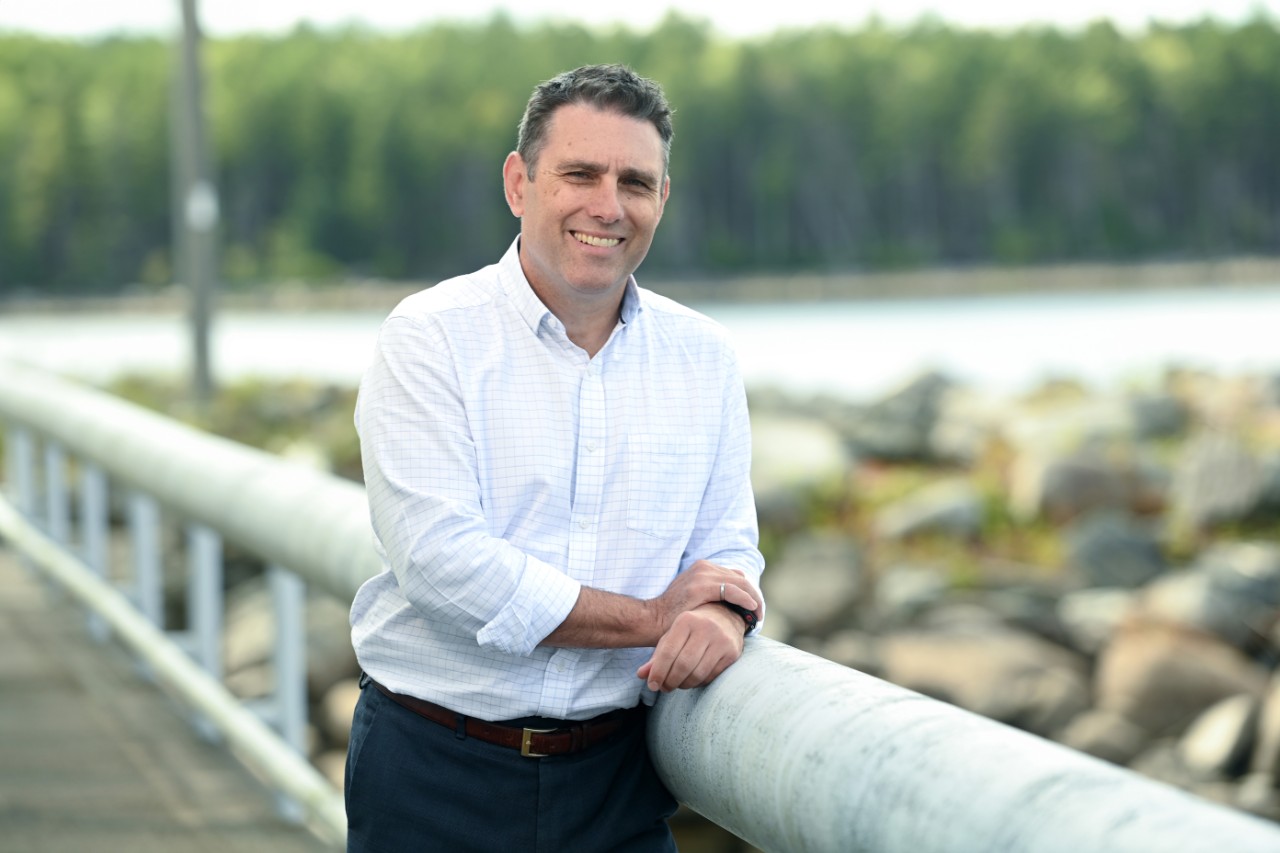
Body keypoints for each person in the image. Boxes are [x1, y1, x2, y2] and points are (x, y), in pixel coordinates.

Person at [345, 64, 765, 852]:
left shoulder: (704, 358)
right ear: (519, 182)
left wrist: (720, 611)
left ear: (662, 201)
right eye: (581, 174)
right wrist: (649, 619)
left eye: (635, 182)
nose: (608, 206)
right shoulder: (430, 336)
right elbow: (442, 566)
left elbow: (728, 548)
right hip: (436, 773)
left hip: (619, 783)